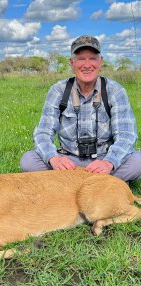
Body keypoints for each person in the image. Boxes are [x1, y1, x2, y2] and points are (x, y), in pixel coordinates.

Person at [20, 35, 141, 183]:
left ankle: (69, 183)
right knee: (28, 161)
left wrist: (109, 162)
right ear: (72, 63)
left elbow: (126, 135)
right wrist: (54, 158)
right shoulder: (58, 90)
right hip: (69, 161)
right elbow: (43, 133)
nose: (87, 64)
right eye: (81, 59)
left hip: (103, 159)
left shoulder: (115, 91)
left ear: (100, 61)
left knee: (138, 161)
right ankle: (104, 184)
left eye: (92, 58)